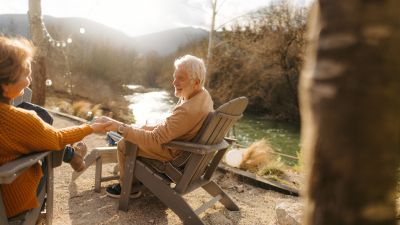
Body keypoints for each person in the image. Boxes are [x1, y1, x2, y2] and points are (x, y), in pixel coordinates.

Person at [0, 36, 110, 218]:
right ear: (5, 84)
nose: (29, 81)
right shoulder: (15, 119)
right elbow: (56, 139)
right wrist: (91, 127)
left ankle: (73, 155)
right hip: (9, 204)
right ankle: (73, 155)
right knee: (47, 143)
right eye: (25, 73)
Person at [96, 54, 214, 198]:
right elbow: (171, 128)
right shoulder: (202, 96)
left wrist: (119, 127)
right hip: (186, 154)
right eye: (174, 77)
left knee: (125, 144)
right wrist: (143, 129)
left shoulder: (187, 110)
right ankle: (138, 181)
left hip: (174, 156)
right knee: (139, 131)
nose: (174, 82)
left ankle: (128, 188)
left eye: (180, 78)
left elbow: (155, 139)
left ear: (196, 82)